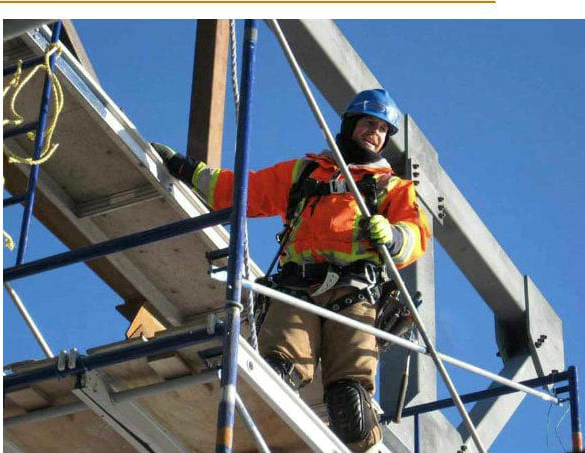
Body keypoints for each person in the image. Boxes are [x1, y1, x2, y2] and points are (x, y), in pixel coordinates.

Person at [152, 89, 431, 453]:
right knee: (275, 376)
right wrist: (186, 169)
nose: (374, 134)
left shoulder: (391, 188)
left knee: (351, 406)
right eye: (368, 123)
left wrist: (393, 237)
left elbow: (416, 235)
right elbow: (242, 191)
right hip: (299, 288)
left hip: (355, 295)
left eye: (382, 129)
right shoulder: (305, 174)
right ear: (349, 125)